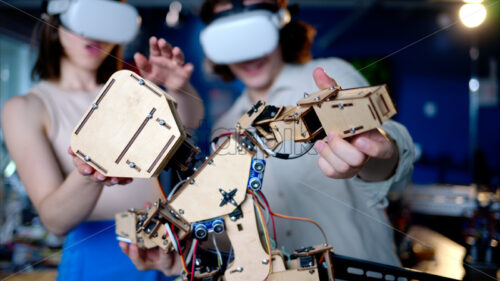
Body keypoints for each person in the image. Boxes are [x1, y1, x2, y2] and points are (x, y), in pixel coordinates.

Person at [120, 0, 415, 276]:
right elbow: (234, 237)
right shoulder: (226, 130)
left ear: (280, 23)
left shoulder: (328, 75)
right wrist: (183, 256)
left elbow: (395, 158)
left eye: (254, 29)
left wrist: (374, 156)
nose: (248, 52)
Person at [0, 0, 204, 280]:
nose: (94, 34)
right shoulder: (27, 107)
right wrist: (90, 173)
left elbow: (191, 122)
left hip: (165, 249)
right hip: (95, 259)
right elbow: (54, 220)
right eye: (85, 18)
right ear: (56, 21)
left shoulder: (132, 91)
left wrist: (179, 88)